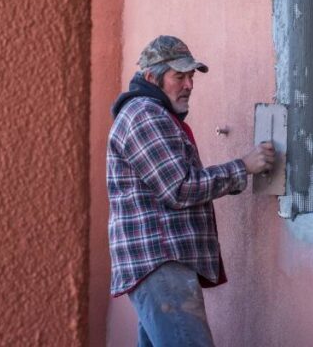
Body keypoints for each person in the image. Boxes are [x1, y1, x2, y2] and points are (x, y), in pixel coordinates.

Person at [107, 35, 275, 347]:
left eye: (191, 76)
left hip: (158, 263)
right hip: (160, 261)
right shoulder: (145, 114)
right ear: (150, 78)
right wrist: (244, 166)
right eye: (179, 76)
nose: (189, 85)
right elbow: (179, 189)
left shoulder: (152, 114)